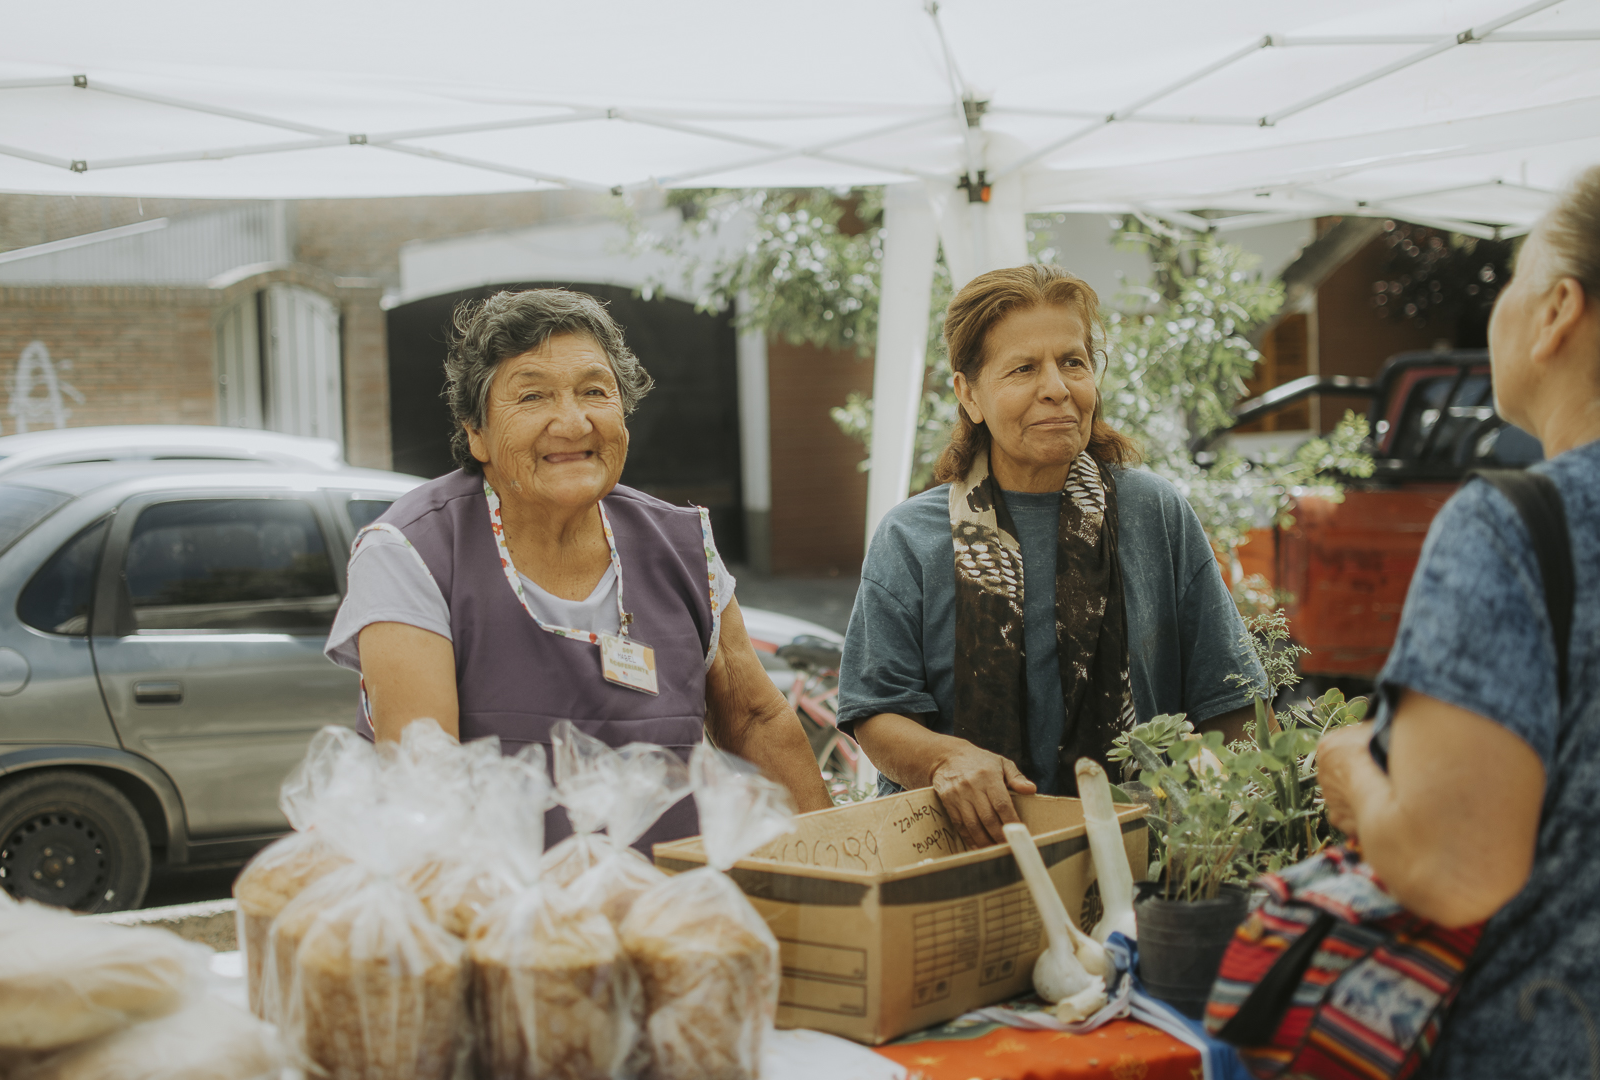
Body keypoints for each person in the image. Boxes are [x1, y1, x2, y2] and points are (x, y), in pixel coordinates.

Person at [325, 288, 832, 853]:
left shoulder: (682, 545)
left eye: (595, 391)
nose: (571, 422)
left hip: (668, 913)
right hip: (493, 918)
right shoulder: (411, 551)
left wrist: (841, 868)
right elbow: (426, 780)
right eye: (532, 397)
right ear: (476, 432)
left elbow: (756, 719)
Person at [1318, 167, 1600, 1079]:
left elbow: (1451, 871)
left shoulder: (1511, 527)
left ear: (1557, 310)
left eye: (1511, 281)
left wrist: (1357, 766)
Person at [838, 264, 1264, 848]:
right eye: (1022, 369)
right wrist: (945, 759)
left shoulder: (1154, 514)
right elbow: (875, 711)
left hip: (1142, 855)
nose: (1057, 388)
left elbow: (1230, 699)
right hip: (958, 858)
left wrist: (1224, 830)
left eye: (1073, 362)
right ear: (969, 394)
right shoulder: (911, 538)